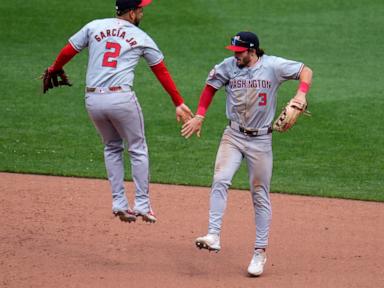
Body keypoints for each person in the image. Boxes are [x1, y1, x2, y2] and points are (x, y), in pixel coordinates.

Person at [42, 0, 193, 224]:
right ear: (131, 13)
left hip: (93, 100)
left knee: (112, 147)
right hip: (121, 99)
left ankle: (119, 203)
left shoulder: (94, 26)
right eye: (140, 9)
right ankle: (142, 205)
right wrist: (178, 102)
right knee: (138, 148)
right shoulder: (141, 37)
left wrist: (54, 68)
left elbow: (68, 50)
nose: (142, 12)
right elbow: (160, 70)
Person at [182, 31, 313, 276]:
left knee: (259, 195)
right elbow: (210, 87)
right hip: (233, 135)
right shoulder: (228, 67)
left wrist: (301, 93)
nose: (235, 56)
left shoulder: (273, 66)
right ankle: (213, 234)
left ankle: (259, 253)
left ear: (252, 50)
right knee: (220, 179)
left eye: (239, 52)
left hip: (261, 141)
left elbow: (306, 70)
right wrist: (200, 115)